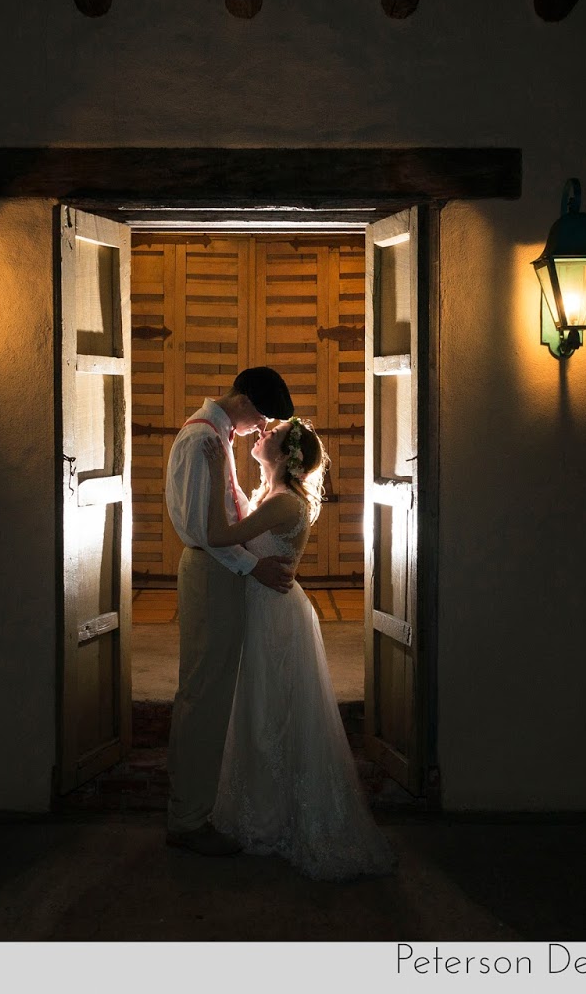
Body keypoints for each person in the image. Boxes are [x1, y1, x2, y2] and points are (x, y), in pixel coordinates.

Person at [204, 417, 396, 880]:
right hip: (266, 605)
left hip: (274, 616)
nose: (262, 431)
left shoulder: (285, 503)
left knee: (271, 714)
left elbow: (216, 535)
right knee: (261, 712)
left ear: (286, 455)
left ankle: (275, 818)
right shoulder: (271, 493)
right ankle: (267, 809)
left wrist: (212, 476)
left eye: (271, 433)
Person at [163, 367, 296, 856]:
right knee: (203, 694)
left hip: (220, 570)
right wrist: (252, 566)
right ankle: (188, 818)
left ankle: (196, 808)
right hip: (212, 570)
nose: (262, 428)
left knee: (213, 691)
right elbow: (202, 528)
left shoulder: (216, 437)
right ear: (243, 400)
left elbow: (227, 509)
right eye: (262, 415)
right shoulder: (203, 441)